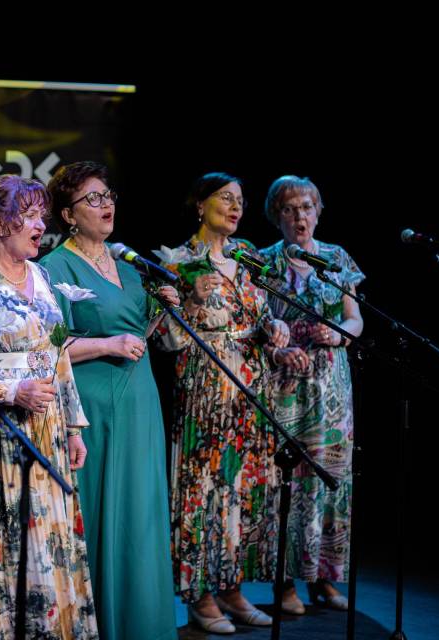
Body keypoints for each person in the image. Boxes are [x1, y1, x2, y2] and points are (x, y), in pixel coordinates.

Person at [0, 174, 98, 639]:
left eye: (42, 216)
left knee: (49, 545)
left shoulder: (41, 276)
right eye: (29, 216)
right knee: (7, 547)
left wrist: (73, 428)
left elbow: (58, 354)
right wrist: (12, 391)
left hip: (47, 430)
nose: (40, 226)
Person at [40, 161, 179, 640]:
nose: (106, 205)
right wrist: (106, 345)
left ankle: (143, 624)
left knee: (140, 514)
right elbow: (47, 346)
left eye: (108, 196)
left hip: (140, 401)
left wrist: (161, 313)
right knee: (103, 511)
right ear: (68, 214)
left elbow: (136, 335)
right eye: (92, 199)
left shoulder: (128, 269)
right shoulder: (53, 268)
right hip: (93, 404)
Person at [154, 172, 290, 633]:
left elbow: (263, 313)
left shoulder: (247, 256)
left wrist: (275, 329)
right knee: (204, 491)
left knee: (241, 492)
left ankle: (232, 587)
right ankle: (199, 593)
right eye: (226, 198)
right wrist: (191, 303)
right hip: (207, 389)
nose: (235, 207)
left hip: (251, 390)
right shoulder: (178, 261)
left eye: (241, 200)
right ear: (200, 204)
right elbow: (167, 339)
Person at [257, 175, 364, 614]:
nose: (299, 217)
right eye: (289, 209)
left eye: (306, 207)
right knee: (286, 484)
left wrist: (338, 335)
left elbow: (355, 320)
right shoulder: (263, 262)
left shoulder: (336, 258)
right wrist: (275, 341)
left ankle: (324, 577)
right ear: (276, 216)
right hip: (284, 385)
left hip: (331, 389)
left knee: (330, 480)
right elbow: (255, 323)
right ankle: (283, 584)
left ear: (318, 212)